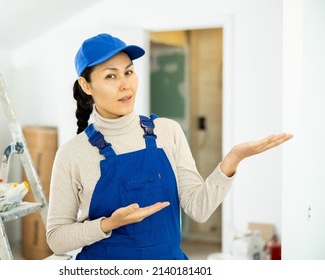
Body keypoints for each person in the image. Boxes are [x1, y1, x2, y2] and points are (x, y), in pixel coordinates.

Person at [46, 33, 293, 260]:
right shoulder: (72, 154)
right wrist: (107, 224)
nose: (125, 85)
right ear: (86, 85)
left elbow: (199, 209)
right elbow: (57, 239)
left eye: (129, 72)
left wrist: (231, 161)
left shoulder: (167, 131)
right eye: (111, 76)